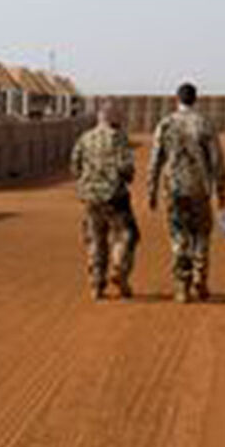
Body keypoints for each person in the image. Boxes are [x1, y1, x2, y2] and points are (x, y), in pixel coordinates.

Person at [147, 82, 225, 303]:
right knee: (201, 234)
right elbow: (217, 161)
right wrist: (222, 193)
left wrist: (151, 191)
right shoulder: (204, 124)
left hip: (173, 190)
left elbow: (155, 160)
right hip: (199, 189)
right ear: (195, 99)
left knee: (179, 236)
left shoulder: (165, 124)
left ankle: (182, 286)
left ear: (177, 99)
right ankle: (200, 278)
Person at [71, 102, 141, 300]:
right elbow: (126, 168)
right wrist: (125, 178)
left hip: (91, 197)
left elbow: (75, 166)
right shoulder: (118, 138)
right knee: (126, 235)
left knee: (96, 239)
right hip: (115, 196)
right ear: (112, 117)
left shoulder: (85, 138)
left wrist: (87, 182)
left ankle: (96, 284)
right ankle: (119, 267)